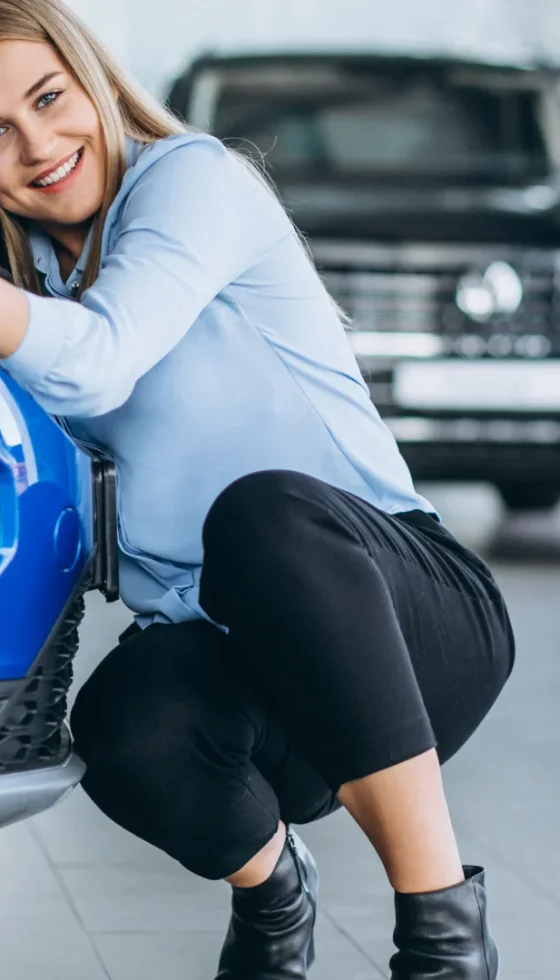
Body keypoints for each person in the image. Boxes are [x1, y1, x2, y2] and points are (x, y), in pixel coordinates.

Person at [0, 2, 515, 977]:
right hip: (238, 661)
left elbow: (105, 360)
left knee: (262, 513)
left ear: (97, 84)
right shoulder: (27, 277)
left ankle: (442, 937)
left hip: (405, 618)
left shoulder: (196, 180)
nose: (38, 143)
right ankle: (276, 894)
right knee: (126, 733)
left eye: (48, 97)